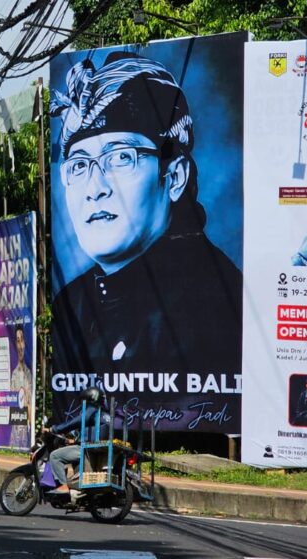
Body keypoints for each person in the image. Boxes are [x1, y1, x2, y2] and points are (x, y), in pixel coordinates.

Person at [50, 54, 242, 393]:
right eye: (79, 165)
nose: (96, 189)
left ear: (175, 176)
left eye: (121, 157)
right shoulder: (69, 304)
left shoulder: (216, 301)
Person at [48, 387, 111, 493]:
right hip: (96, 448)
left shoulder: (92, 408)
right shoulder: (105, 414)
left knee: (55, 456)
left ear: (90, 399)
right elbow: (92, 431)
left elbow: (77, 421)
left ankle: (63, 486)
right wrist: (74, 441)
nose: (82, 404)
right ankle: (76, 484)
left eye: (83, 401)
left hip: (88, 449)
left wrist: (55, 429)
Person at [8, 325, 33, 449]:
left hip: (27, 433)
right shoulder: (13, 375)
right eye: (17, 341)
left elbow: (30, 403)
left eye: (22, 339)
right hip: (15, 434)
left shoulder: (30, 374)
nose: (20, 345)